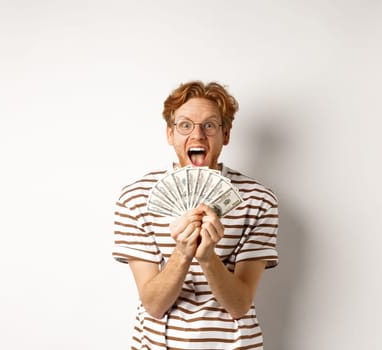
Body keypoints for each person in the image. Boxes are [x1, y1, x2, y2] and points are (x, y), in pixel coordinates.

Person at [112, 81, 279, 349]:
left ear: (226, 134)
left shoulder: (258, 200)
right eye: (185, 125)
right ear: (170, 134)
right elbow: (154, 305)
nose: (198, 136)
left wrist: (208, 257)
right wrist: (182, 253)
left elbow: (239, 306)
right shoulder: (135, 199)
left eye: (210, 125)